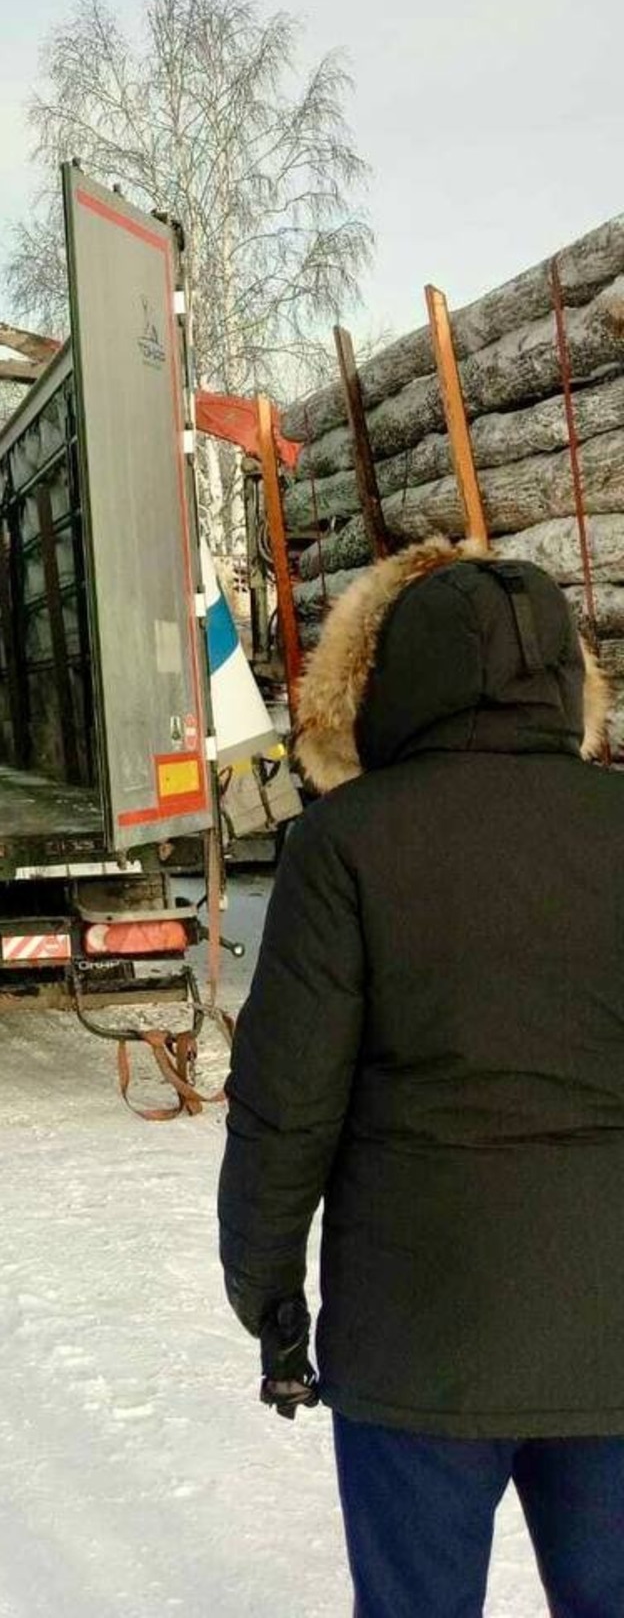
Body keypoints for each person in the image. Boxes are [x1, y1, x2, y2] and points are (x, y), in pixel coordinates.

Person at [218, 541, 624, 1618]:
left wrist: (266, 1293)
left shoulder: (345, 843)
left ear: (387, 682)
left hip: (417, 1332)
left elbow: (284, 1102)